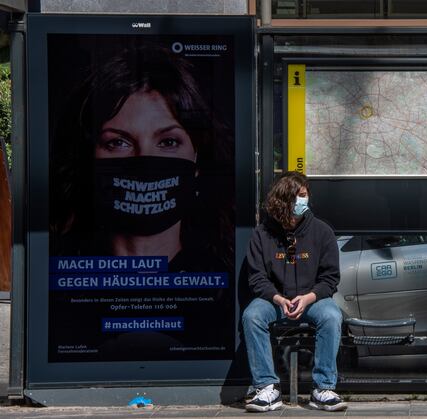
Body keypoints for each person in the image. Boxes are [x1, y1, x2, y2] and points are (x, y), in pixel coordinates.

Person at [50, 45, 234, 273]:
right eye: (118, 142)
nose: (145, 162)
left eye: (168, 142)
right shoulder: (61, 275)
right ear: (87, 155)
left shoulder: (223, 280)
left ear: (198, 155)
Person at [242, 171, 346, 413]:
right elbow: (256, 277)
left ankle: (323, 388)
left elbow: (330, 278)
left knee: (331, 316)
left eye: (305, 195)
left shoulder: (322, 232)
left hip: (312, 299)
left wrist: (309, 297)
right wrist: (277, 298)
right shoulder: (262, 234)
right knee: (252, 316)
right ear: (284, 200)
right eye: (299, 196)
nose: (303, 201)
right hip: (274, 300)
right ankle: (267, 387)